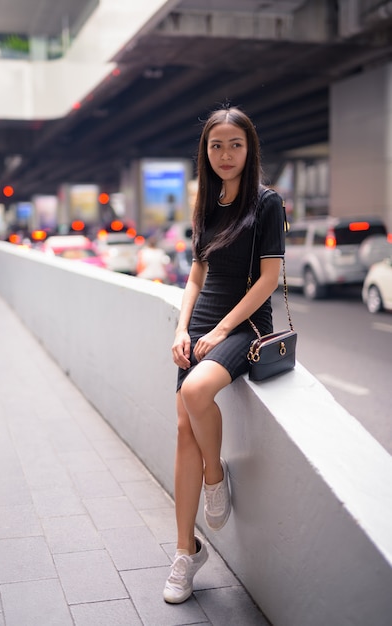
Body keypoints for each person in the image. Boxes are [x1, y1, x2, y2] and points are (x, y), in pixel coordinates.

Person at [163, 105, 285, 604]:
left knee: (196, 391)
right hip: (201, 325)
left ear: (249, 147)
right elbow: (196, 272)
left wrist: (220, 329)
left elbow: (270, 280)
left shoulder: (267, 202)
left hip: (244, 324)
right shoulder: (208, 200)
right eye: (216, 145)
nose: (226, 154)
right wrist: (181, 327)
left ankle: (217, 476)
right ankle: (186, 552)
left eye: (235, 144)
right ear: (205, 152)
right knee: (182, 429)